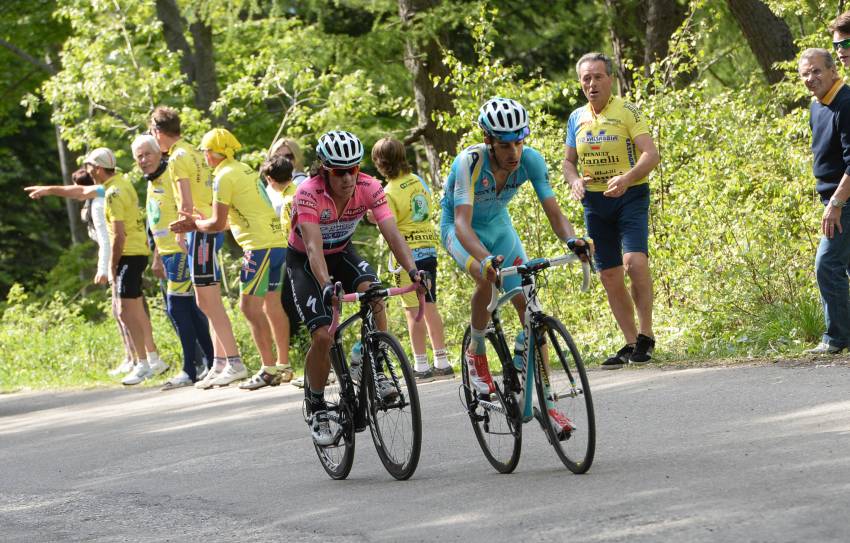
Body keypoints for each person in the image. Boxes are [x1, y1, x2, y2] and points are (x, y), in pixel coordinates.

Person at [441, 97, 590, 435]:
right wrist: (484, 259)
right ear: (488, 139)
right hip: (459, 230)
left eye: (519, 142)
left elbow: (553, 211)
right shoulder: (469, 162)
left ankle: (549, 405)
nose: (514, 152)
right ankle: (476, 351)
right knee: (486, 279)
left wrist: (572, 241)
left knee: (531, 307)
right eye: (505, 145)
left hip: (499, 227)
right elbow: (462, 224)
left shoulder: (531, 161)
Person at [286, 130, 425, 445]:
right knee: (323, 335)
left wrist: (414, 271)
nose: (348, 177)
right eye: (340, 171)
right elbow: (311, 247)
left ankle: (377, 368)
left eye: (354, 169)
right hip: (307, 262)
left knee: (375, 293)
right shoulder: (308, 192)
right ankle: (317, 404)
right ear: (325, 170)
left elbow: (392, 232)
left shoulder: (369, 186)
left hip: (343, 253)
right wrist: (325, 285)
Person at [27, 148, 168, 385]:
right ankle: (153, 359)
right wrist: (49, 189)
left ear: (98, 168)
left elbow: (117, 236)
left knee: (125, 310)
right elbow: (81, 191)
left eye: (90, 166)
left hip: (129, 254)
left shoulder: (112, 193)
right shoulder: (118, 182)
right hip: (135, 253)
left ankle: (143, 363)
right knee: (133, 309)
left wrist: (110, 266)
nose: (87, 170)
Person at [174, 128, 293, 388]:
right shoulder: (244, 169)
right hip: (277, 243)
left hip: (259, 247)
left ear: (212, 153)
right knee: (272, 304)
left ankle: (268, 369)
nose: (204, 156)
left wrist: (195, 224)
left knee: (248, 308)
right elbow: (238, 217)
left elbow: (216, 223)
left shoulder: (222, 177)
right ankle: (283, 365)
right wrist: (206, 222)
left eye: (205, 151)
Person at [563, 52, 660, 369]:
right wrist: (575, 180)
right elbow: (568, 162)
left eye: (597, 77)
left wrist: (628, 177)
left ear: (610, 79)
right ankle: (630, 342)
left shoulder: (627, 111)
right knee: (608, 274)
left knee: (634, 263)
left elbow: (651, 154)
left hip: (630, 195)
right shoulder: (576, 118)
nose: (591, 84)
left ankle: (646, 334)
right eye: (585, 79)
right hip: (595, 201)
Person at [150, 107, 244, 388]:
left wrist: (183, 228)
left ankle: (233, 361)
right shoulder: (192, 151)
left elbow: (186, 200)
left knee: (207, 300)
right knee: (206, 299)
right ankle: (220, 361)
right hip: (207, 227)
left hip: (198, 230)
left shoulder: (178, 157)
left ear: (157, 131)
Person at [131, 134, 215, 389]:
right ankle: (209, 363)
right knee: (188, 309)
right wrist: (156, 252)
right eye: (139, 157)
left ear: (159, 153)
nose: (143, 160)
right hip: (166, 253)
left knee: (177, 308)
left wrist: (177, 243)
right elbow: (156, 217)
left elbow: (183, 207)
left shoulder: (169, 175)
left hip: (179, 249)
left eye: (147, 154)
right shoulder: (151, 180)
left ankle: (190, 368)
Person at [371, 137, 453, 381]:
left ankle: (421, 365)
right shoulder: (418, 180)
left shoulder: (388, 192)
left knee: (412, 310)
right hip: (428, 248)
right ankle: (442, 360)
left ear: (380, 163)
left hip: (406, 255)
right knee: (429, 305)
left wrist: (373, 219)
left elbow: (390, 228)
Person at [798, 48, 850, 354]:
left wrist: (836, 204)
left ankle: (836, 338)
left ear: (833, 71)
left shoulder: (846, 103)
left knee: (827, 264)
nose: (811, 78)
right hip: (833, 199)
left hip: (845, 201)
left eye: (816, 71)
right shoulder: (816, 106)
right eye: (805, 73)